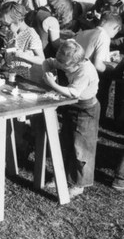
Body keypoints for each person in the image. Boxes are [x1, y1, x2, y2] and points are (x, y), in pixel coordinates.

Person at [42, 40, 100, 198]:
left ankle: (78, 184)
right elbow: (47, 62)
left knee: (81, 149)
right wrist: (51, 72)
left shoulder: (85, 71)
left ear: (77, 61)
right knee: (65, 142)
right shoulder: (64, 60)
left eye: (64, 65)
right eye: (60, 61)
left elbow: (74, 93)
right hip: (70, 106)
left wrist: (53, 84)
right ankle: (61, 176)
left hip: (85, 109)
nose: (61, 65)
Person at [75, 12, 122, 123]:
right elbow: (98, 65)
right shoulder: (103, 36)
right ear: (116, 27)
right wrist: (115, 71)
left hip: (77, 74)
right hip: (90, 79)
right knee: (106, 81)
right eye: (116, 31)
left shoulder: (83, 33)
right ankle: (100, 118)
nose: (115, 35)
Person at [0, 1, 45, 80]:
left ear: (18, 21)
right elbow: (7, 50)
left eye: (8, 25)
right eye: (4, 25)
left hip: (23, 76)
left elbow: (42, 60)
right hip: (9, 72)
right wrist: (1, 56)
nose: (5, 28)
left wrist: (23, 55)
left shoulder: (31, 35)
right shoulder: (11, 32)